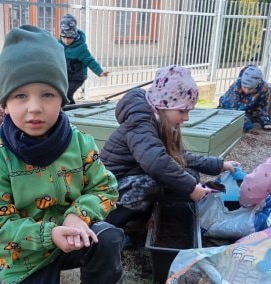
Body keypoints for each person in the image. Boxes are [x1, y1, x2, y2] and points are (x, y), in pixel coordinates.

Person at [0, 25, 124, 284]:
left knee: (108, 238)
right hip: (25, 254)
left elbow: (106, 187)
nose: (35, 107)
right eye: (20, 95)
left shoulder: (80, 143)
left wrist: (78, 216)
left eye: (47, 94)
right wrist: (50, 234)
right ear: (5, 103)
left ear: (62, 97)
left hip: (74, 236)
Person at [100, 65, 238, 230]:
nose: (186, 118)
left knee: (191, 175)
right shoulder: (141, 123)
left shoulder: (158, 122)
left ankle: (149, 215)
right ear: (163, 105)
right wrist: (190, 188)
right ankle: (110, 224)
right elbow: (156, 162)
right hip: (107, 190)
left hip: (130, 178)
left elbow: (180, 157)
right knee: (148, 185)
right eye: (182, 111)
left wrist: (218, 164)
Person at [58, 14, 109, 104]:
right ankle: (70, 106)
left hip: (77, 77)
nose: (66, 41)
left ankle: (68, 106)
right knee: (62, 93)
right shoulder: (59, 44)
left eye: (69, 38)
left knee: (67, 93)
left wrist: (100, 72)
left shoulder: (81, 48)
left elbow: (89, 60)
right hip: (65, 75)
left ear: (74, 36)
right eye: (63, 37)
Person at [218, 64, 271, 132]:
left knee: (252, 119)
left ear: (257, 85)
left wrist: (265, 122)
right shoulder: (236, 87)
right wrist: (248, 126)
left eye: (250, 88)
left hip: (248, 110)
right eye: (244, 87)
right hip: (227, 109)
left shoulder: (263, 88)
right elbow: (233, 110)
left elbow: (262, 106)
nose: (246, 91)